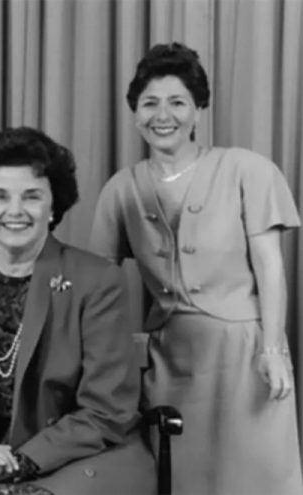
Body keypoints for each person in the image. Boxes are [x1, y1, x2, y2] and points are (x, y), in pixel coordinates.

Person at [89, 42, 303, 494]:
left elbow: (270, 266)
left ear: (198, 110)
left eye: (177, 102)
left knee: (253, 477)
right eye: (149, 103)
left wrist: (272, 349)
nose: (162, 115)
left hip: (248, 356)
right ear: (134, 113)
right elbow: (100, 284)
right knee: (178, 478)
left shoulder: (248, 169)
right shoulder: (121, 189)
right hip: (170, 361)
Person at [0, 127, 156, 494]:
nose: (14, 211)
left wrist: (19, 463)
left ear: (52, 207)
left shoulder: (97, 280)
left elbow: (106, 410)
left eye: (31, 197)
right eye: (0, 196)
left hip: (82, 459)